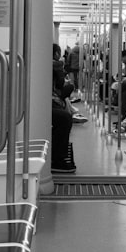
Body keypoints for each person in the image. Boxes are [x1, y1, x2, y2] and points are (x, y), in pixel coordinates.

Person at [51, 44, 77, 173]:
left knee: (63, 105)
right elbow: (60, 83)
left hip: (51, 96)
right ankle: (57, 160)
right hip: (51, 98)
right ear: (56, 53)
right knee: (64, 118)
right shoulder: (56, 64)